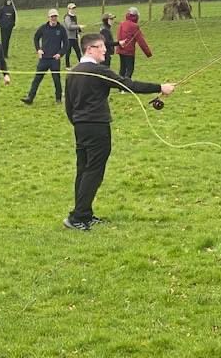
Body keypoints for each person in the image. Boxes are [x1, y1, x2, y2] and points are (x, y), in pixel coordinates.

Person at [64, 34, 175, 231]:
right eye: (101, 47)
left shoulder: (73, 71)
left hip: (81, 127)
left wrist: (78, 122)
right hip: (97, 126)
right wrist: (160, 87)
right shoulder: (97, 71)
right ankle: (77, 216)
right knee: (94, 171)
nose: (105, 50)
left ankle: (84, 214)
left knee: (83, 169)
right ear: (90, 49)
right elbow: (128, 84)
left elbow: (68, 105)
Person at [21, 8, 68, 105]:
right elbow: (36, 38)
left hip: (55, 59)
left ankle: (58, 99)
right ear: (48, 17)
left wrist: (60, 54)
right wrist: (38, 49)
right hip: (44, 59)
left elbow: (66, 43)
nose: (54, 18)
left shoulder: (61, 29)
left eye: (55, 16)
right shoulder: (43, 28)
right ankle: (30, 98)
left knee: (56, 79)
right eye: (52, 16)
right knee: (37, 79)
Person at [116, 6, 152, 79]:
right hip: (129, 51)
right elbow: (141, 41)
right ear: (136, 16)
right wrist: (148, 53)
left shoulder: (122, 24)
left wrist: (119, 47)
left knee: (122, 69)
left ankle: (120, 86)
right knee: (130, 69)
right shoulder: (134, 26)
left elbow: (119, 36)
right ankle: (126, 85)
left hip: (121, 49)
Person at [63, 2, 83, 69]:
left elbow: (75, 25)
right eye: (72, 8)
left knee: (78, 51)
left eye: (74, 8)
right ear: (68, 9)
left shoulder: (74, 16)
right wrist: (78, 26)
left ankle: (82, 64)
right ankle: (67, 66)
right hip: (69, 37)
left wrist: (79, 31)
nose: (73, 10)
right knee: (68, 51)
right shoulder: (67, 17)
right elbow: (69, 27)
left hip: (74, 37)